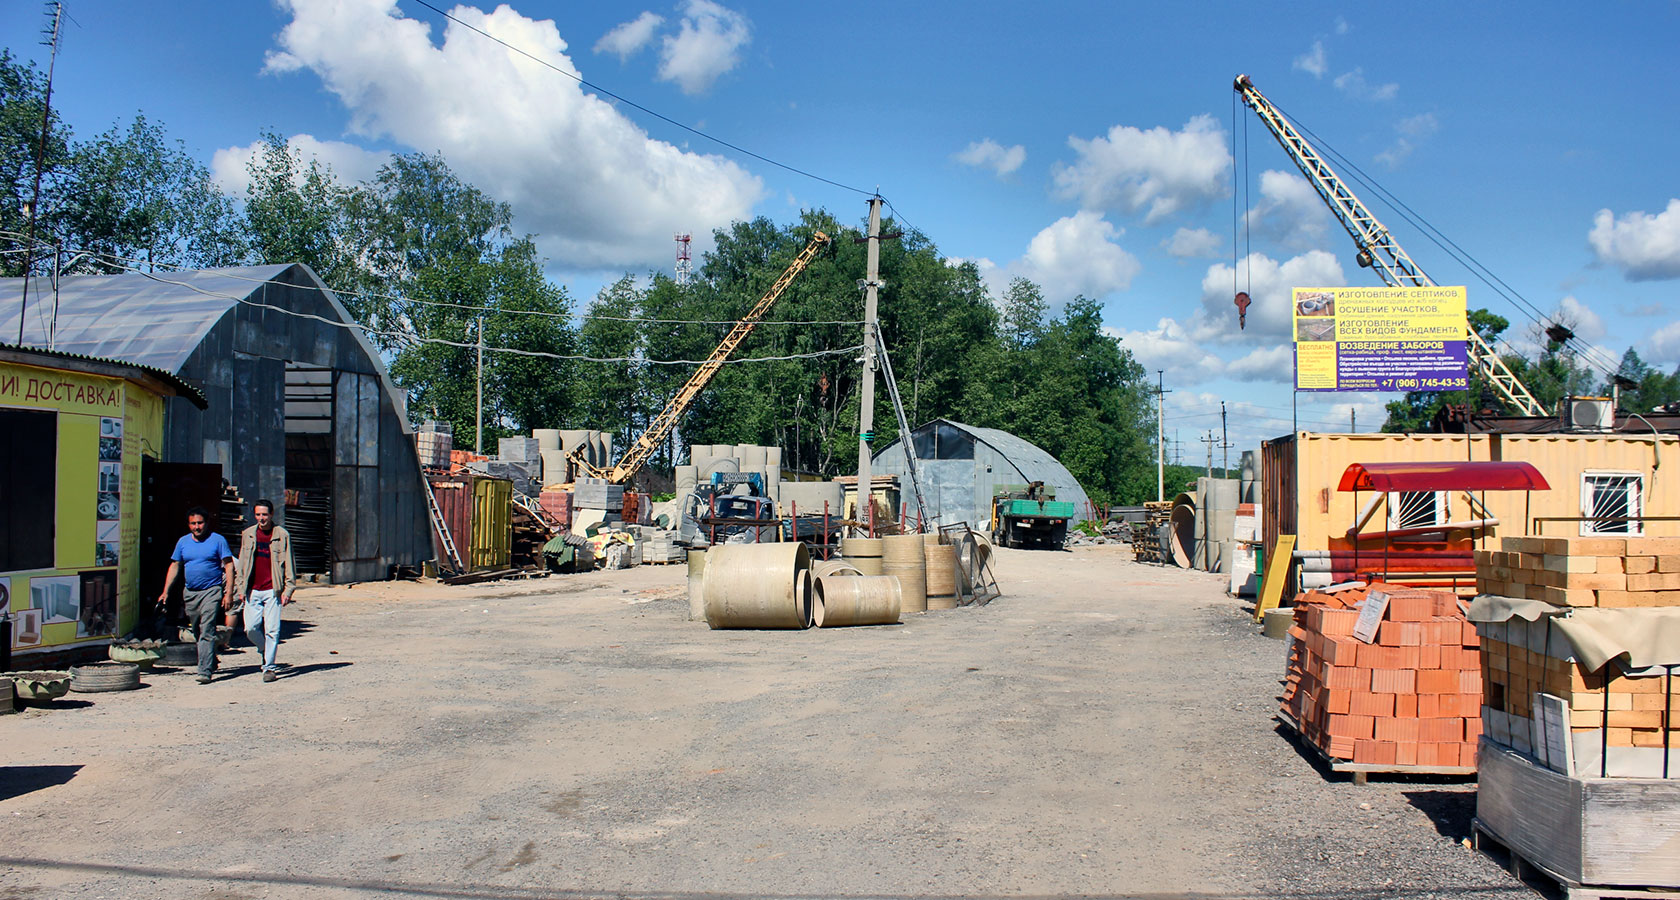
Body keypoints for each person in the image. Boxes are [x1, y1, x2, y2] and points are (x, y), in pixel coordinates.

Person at [157, 507, 235, 684]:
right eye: (193, 523)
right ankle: (211, 658)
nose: (197, 527)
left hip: (211, 591)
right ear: (188, 524)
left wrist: (228, 592)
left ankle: (204, 671)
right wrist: (165, 591)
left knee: (207, 629)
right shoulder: (183, 542)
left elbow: (229, 565)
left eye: (200, 523)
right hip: (191, 592)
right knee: (196, 630)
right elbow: (175, 565)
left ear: (206, 523)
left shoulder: (217, 540)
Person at [233, 499, 296, 682]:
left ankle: (269, 667)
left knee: (272, 630)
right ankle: (263, 649)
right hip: (252, 589)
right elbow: (242, 561)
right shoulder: (248, 534)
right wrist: (240, 586)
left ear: (271, 514)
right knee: (250, 628)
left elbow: (290, 563)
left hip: (272, 590)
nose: (262, 518)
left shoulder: (281, 535)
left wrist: (288, 589)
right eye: (258, 515)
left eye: (265, 514)